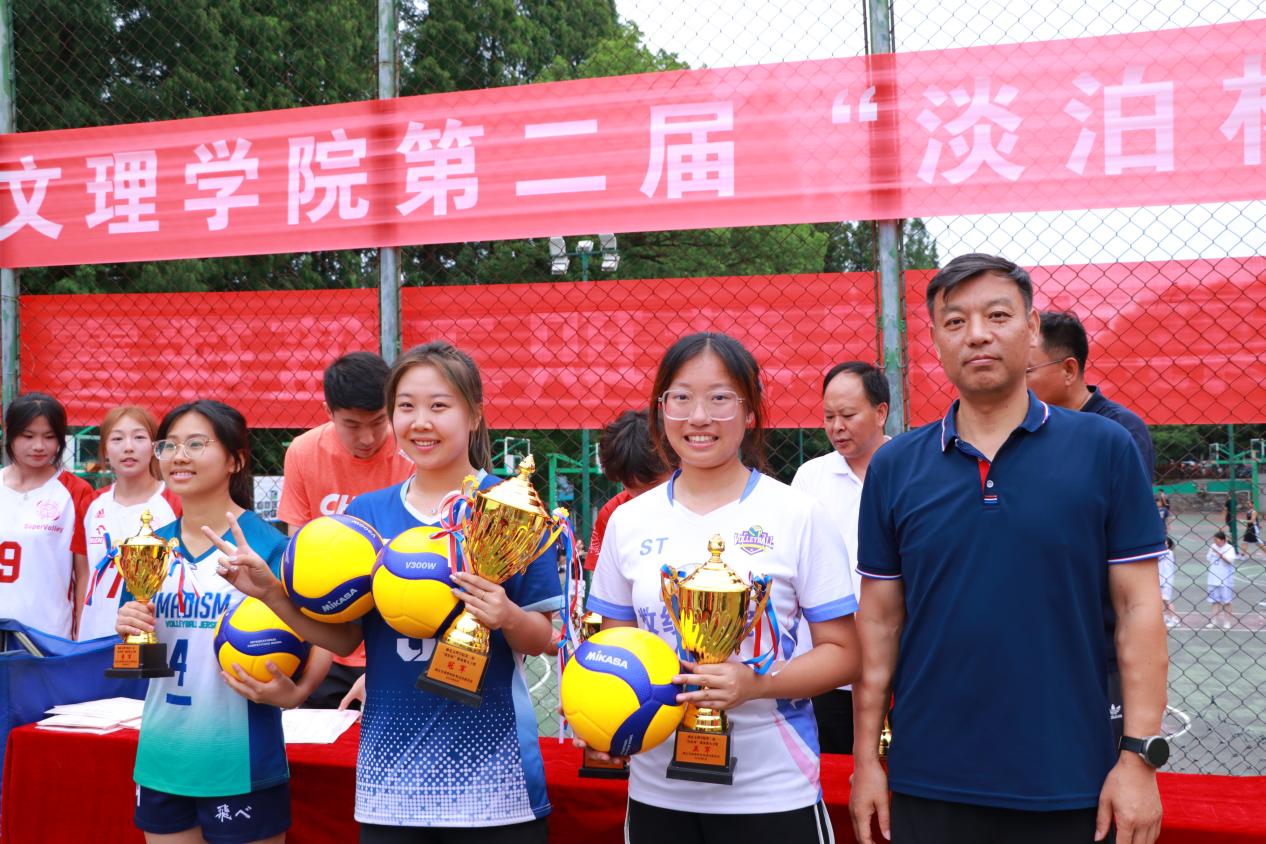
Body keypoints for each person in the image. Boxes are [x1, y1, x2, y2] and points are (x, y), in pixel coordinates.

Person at [851, 254, 1168, 844]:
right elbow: (879, 621)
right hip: (929, 779)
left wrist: (1139, 759)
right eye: (955, 321)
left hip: (1072, 776)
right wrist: (866, 759)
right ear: (935, 341)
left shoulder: (1105, 448)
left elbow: (1139, 609)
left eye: (997, 315)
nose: (977, 334)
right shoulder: (895, 466)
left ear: (1031, 327)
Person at [215, 341, 562, 843]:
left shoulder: (513, 507)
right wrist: (272, 593)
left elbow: (542, 638)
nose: (421, 422)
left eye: (438, 406)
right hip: (392, 780)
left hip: (495, 780)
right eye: (406, 406)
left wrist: (505, 614)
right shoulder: (365, 515)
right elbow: (345, 639)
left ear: (474, 414)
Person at [586, 331, 861, 842]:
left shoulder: (797, 515)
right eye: (681, 397)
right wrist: (597, 698)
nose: (698, 417)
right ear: (661, 409)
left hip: (773, 789)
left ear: (750, 411)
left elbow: (845, 654)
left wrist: (759, 685)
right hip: (656, 791)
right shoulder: (629, 521)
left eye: (719, 398)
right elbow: (616, 647)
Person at [116, 400, 331, 844]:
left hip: (243, 758)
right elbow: (138, 662)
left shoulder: (270, 547)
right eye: (169, 445)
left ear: (235, 460)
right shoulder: (147, 549)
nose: (179, 456)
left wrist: (300, 691)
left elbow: (324, 634)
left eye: (196, 444)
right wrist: (128, 632)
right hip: (163, 754)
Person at [1027, 308, 1157, 745]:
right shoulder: (1026, 430)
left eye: (1027, 370)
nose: (1017, 381)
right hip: (1038, 628)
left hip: (1097, 634)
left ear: (1069, 370)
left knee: (1101, 753)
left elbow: (1111, 535)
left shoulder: (1118, 433)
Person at [276, 352, 412, 709]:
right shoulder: (304, 453)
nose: (367, 437)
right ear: (328, 412)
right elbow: (300, 558)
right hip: (328, 640)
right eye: (352, 425)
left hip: (400, 636)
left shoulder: (415, 453)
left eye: (379, 421)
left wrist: (379, 666)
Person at [790, 360, 889, 754]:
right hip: (825, 664)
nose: (836, 427)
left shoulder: (912, 468)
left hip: (896, 659)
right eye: (829, 416)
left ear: (880, 412)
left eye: (847, 415)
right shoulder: (810, 478)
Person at [80, 405, 182, 640]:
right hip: (94, 636)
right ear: (105, 449)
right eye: (117, 438)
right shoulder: (91, 504)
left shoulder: (175, 502)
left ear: (155, 447)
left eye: (139, 437)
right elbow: (83, 575)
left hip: (153, 634)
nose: (128, 447)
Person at [0, 392, 94, 639]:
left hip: (48, 637)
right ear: (9, 432)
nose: (39, 446)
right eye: (28, 436)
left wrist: (81, 636)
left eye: (49, 437)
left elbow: (84, 573)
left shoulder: (76, 491)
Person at [1026, 309, 1155, 479]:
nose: (1013, 382)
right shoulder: (1024, 425)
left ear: (1069, 371)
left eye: (1025, 371)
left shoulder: (1121, 429)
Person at [584, 409, 671, 596]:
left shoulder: (702, 504)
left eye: (653, 485)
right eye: (632, 487)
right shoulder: (613, 514)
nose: (643, 497)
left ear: (676, 463)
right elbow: (606, 592)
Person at [1206, 531, 1237, 630]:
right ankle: (1213, 621)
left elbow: (1230, 561)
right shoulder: (1213, 546)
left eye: (1216, 540)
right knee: (1215, 601)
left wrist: (1219, 554)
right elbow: (1208, 558)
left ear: (1223, 540)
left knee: (1227, 602)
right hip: (1213, 578)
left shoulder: (1230, 548)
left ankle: (1227, 621)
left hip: (1225, 579)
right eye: (1214, 540)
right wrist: (1214, 551)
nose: (1215, 542)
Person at [1159, 538, 1178, 628]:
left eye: (1165, 543)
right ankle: (1166, 617)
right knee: (1162, 600)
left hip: (1166, 580)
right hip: (1161, 580)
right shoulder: (1162, 553)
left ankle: (1174, 619)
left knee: (1166, 600)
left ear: (1169, 545)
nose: (1163, 544)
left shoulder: (1168, 552)